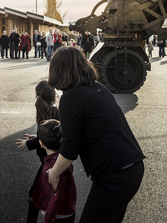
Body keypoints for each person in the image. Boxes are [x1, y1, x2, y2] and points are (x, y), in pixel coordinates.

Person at [47, 46, 145, 223]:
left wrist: (53, 173)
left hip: (114, 176)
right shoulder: (98, 87)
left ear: (58, 70)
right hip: (132, 168)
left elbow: (70, 148)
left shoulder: (70, 97)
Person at [16, 80, 62, 223]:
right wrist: (36, 137)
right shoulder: (55, 110)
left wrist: (29, 143)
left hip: (49, 161)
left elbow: (48, 138)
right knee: (50, 194)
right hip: (56, 159)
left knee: (35, 195)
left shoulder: (45, 111)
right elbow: (50, 136)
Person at [30, 119, 77, 223]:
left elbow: (56, 197)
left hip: (58, 215)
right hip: (63, 212)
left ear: (41, 143)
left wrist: (48, 219)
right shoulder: (61, 161)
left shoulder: (51, 169)